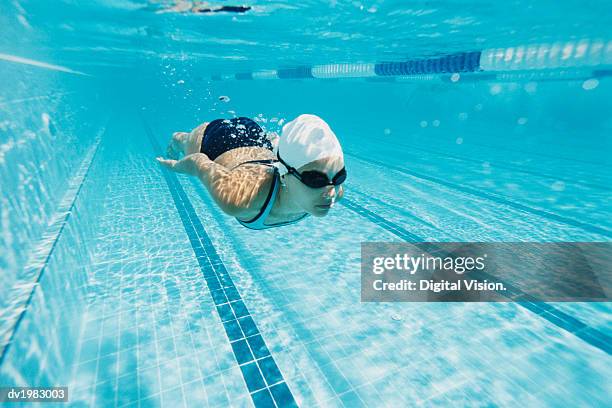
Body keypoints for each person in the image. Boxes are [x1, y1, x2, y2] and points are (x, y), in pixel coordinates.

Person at [156, 114, 346, 229]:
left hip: (257, 140)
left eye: (339, 177)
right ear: (285, 175)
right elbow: (199, 162)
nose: (331, 192)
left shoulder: (335, 192)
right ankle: (178, 139)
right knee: (186, 142)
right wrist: (175, 166)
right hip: (218, 143)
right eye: (315, 180)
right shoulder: (240, 199)